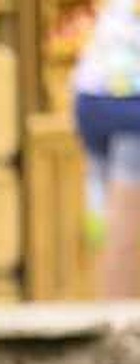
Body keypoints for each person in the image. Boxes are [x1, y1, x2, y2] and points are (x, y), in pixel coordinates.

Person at [73, 0, 140, 298]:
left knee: (101, 199)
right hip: (126, 105)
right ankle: (118, 309)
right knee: (126, 207)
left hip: (89, 99)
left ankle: (107, 302)